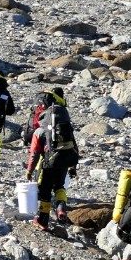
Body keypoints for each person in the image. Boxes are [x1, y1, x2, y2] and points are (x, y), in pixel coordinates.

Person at [25, 88, 78, 228]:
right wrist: (73, 167)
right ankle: (61, 208)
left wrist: (29, 171)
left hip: (49, 163)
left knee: (45, 190)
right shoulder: (66, 127)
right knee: (59, 186)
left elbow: (34, 154)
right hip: (66, 160)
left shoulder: (39, 131)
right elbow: (74, 146)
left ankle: (43, 220)